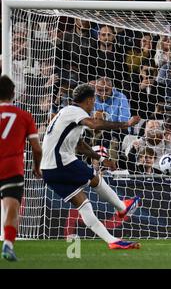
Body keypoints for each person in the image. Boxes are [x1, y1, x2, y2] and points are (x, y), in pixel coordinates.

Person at [40, 84, 142, 250]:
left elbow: (80, 145)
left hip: (48, 170)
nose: (94, 104)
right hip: (60, 163)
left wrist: (100, 159)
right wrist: (125, 124)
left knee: (84, 204)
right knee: (95, 178)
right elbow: (94, 125)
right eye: (94, 100)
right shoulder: (76, 111)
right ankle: (122, 208)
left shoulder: (65, 113)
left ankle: (112, 241)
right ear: (89, 100)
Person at [0, 76, 42, 261]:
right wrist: (37, 167)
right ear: (13, 93)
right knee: (11, 209)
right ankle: (8, 245)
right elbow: (37, 148)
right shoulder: (24, 115)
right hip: (12, 168)